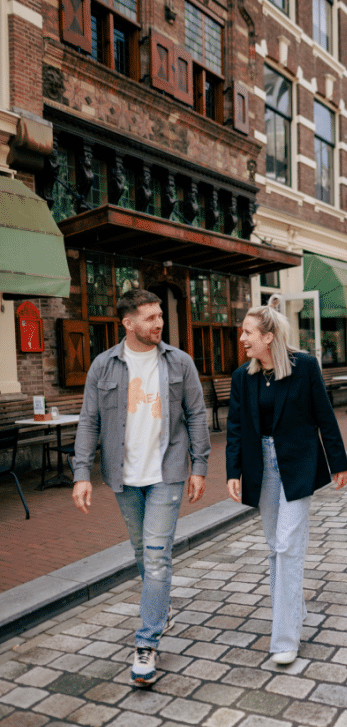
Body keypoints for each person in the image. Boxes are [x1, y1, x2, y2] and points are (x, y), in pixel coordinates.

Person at [72, 289, 210, 686]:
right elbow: (89, 421)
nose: (159, 323)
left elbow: (196, 414)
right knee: (143, 552)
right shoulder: (103, 366)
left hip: (167, 473)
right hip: (123, 476)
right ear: (127, 323)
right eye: (149, 318)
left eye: (160, 316)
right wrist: (82, 473)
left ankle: (146, 643)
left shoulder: (179, 362)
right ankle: (160, 603)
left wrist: (199, 466)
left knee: (155, 554)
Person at [226, 296, 347, 664]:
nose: (242, 339)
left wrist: (338, 461)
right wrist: (233, 472)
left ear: (269, 336)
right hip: (260, 466)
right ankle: (295, 610)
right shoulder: (242, 377)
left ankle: (284, 639)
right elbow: (235, 429)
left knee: (287, 547)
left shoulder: (305, 367)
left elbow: (324, 417)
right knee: (273, 545)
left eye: (248, 332)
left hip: (297, 465)